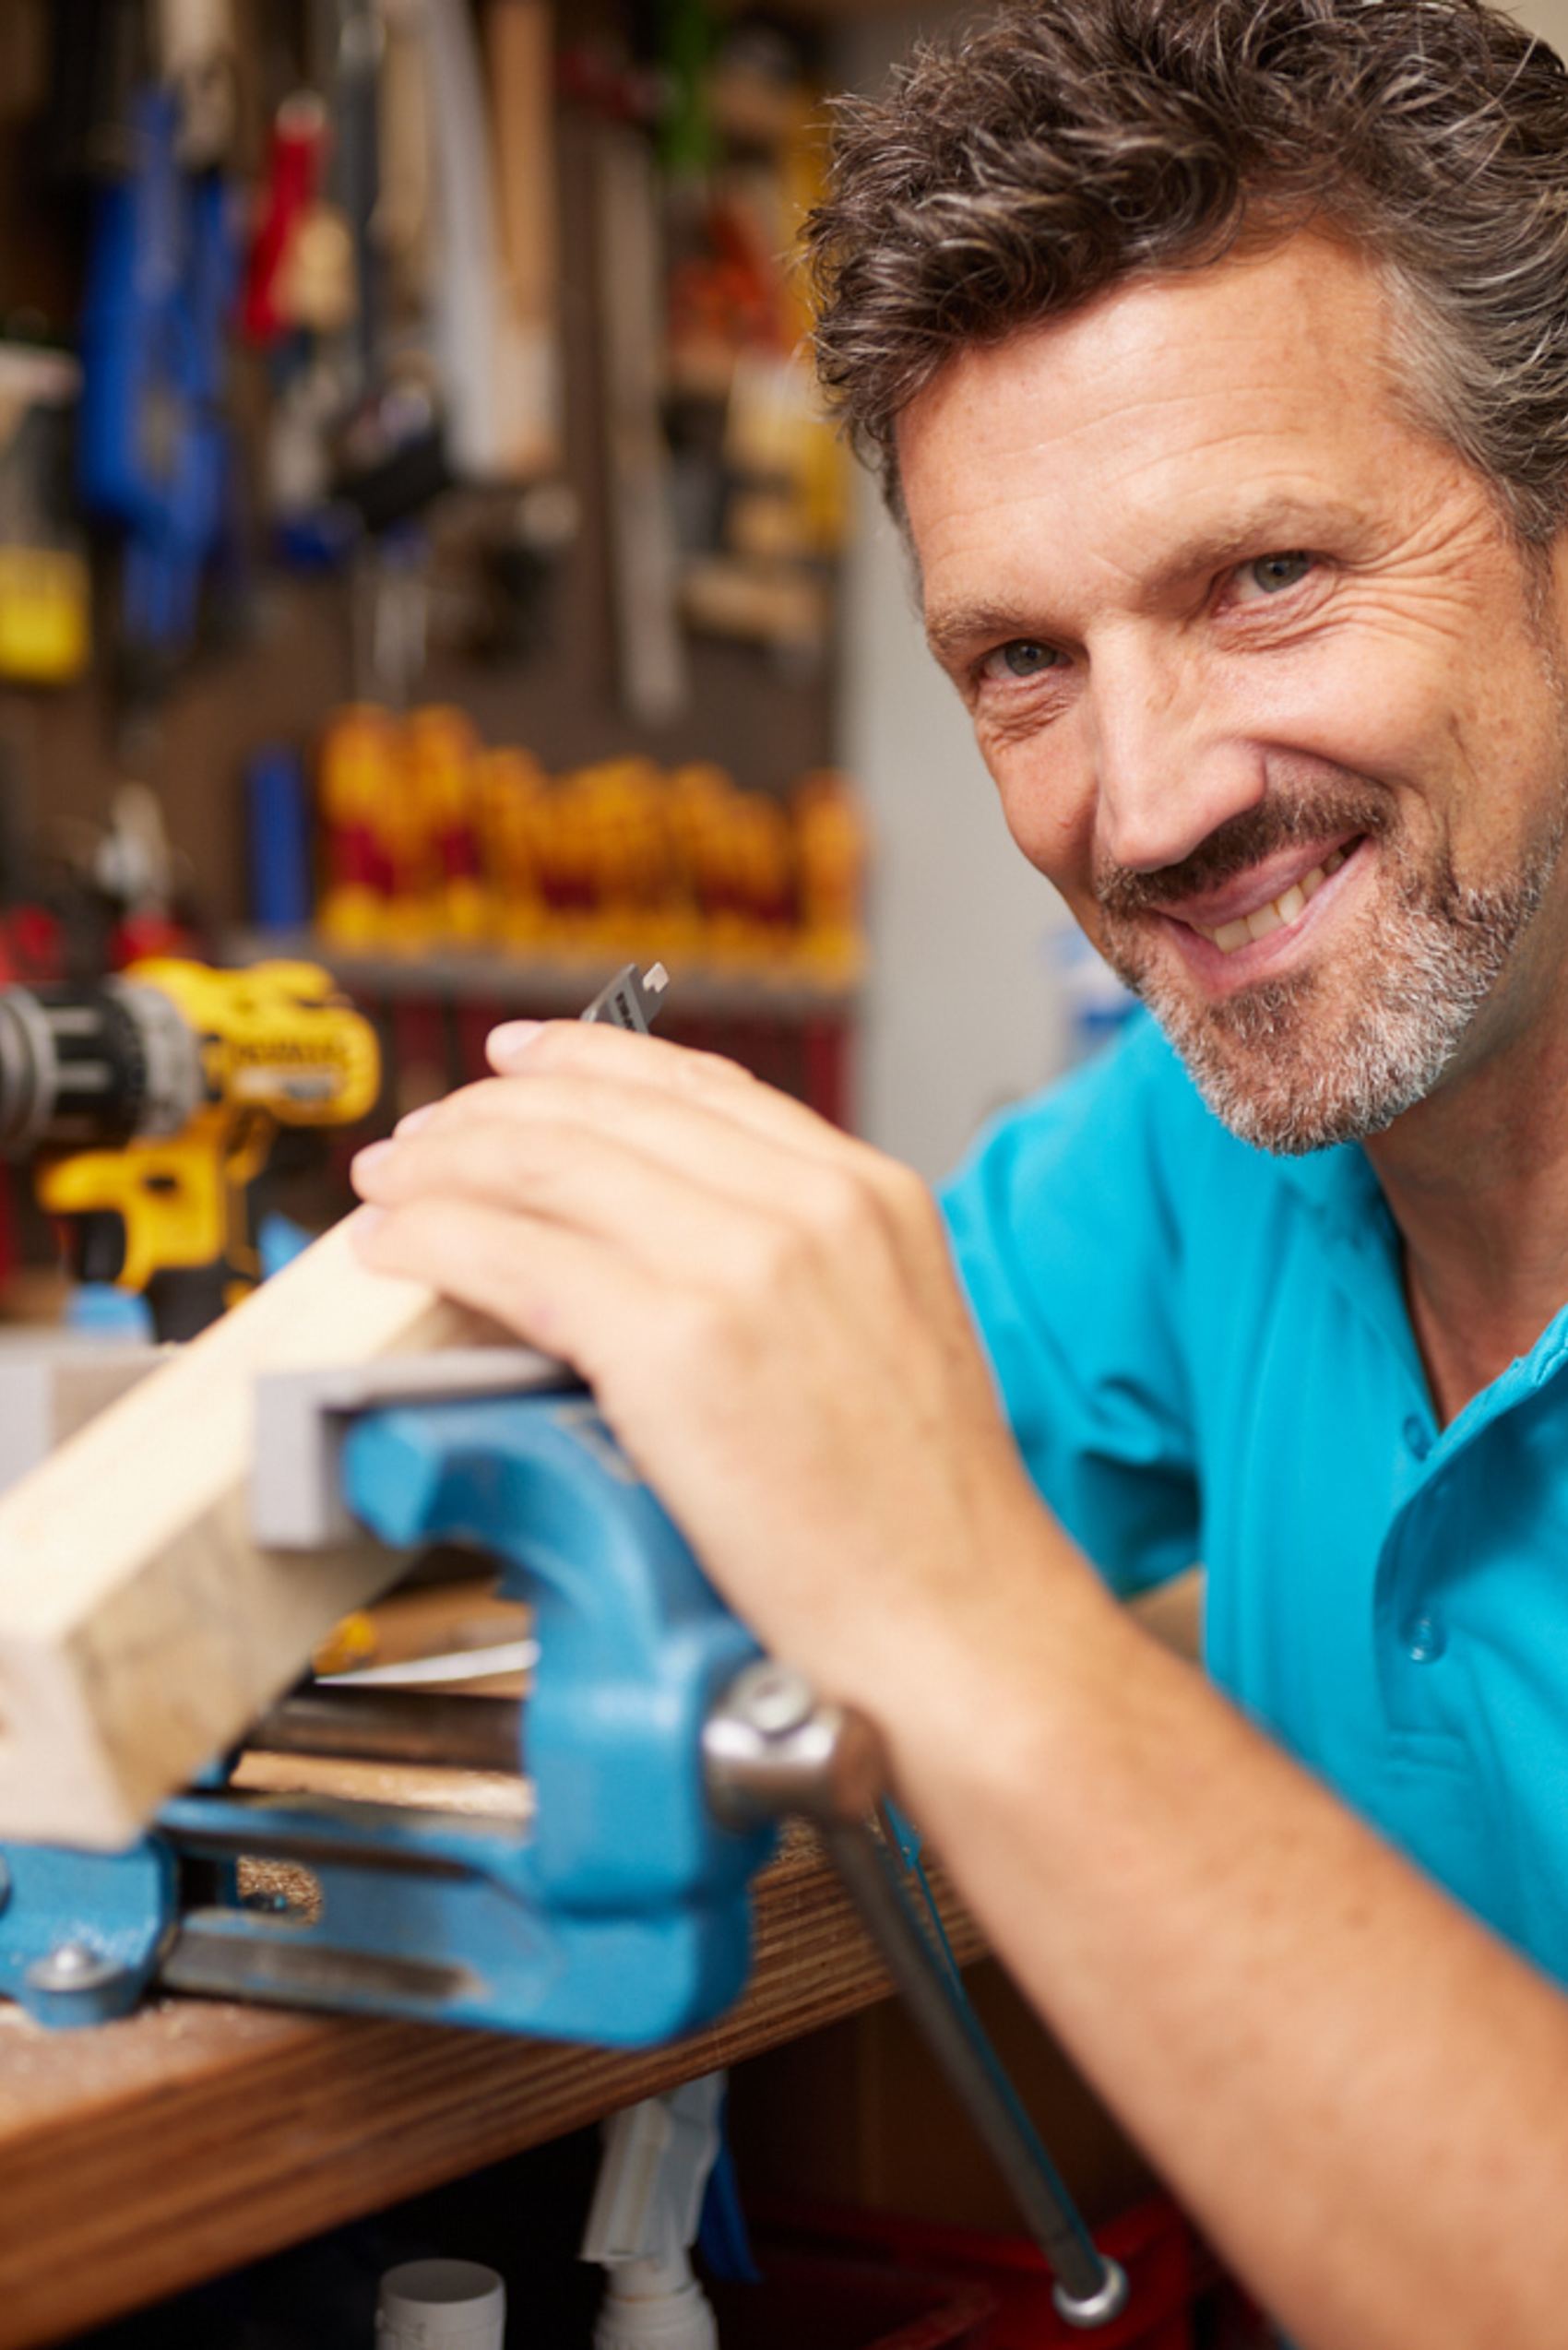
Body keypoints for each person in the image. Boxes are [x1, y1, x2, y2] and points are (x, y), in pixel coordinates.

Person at [348, 0, 1568, 2338]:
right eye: (1021, 658)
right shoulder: (1208, 1147)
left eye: (1268, 577)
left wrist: (963, 1623)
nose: (1144, 802)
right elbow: (733, 1476)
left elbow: (903, 1553)